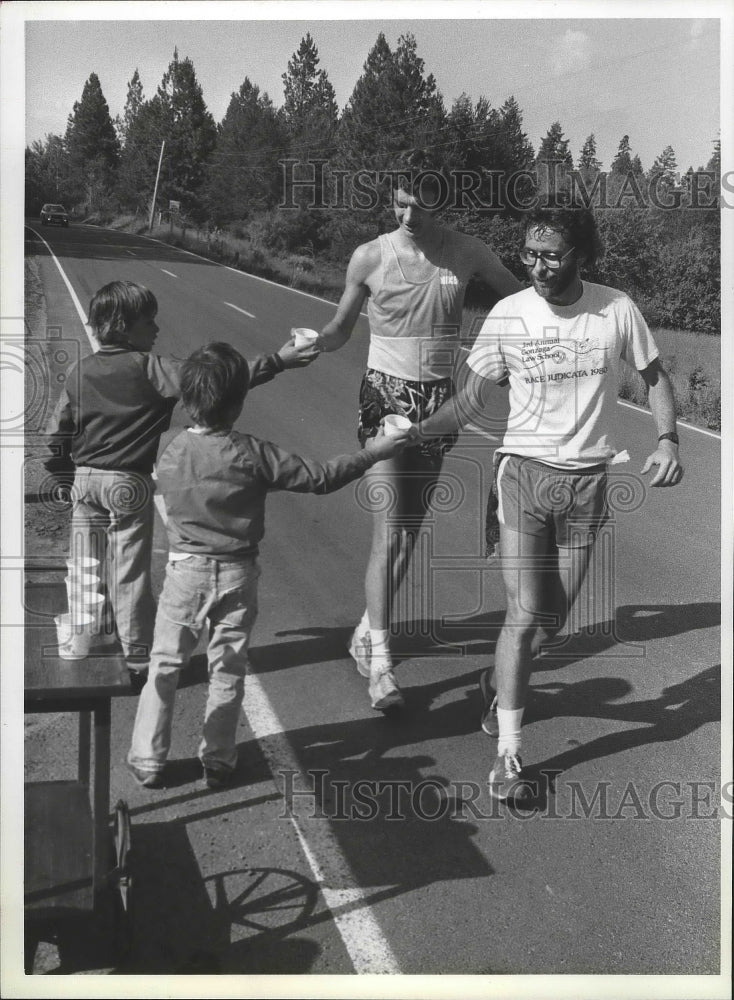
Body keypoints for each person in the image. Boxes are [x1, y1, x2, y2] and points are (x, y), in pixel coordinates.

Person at [414, 205, 684, 801]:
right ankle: (507, 758)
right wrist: (416, 434)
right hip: (522, 476)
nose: (536, 265)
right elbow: (469, 400)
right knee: (525, 611)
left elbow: (656, 376)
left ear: (580, 256)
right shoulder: (509, 315)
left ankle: (495, 681)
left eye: (550, 254)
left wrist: (667, 439)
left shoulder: (615, 309)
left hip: (587, 481)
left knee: (553, 623)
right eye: (529, 254)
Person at [126, 342, 408, 789]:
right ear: (238, 403)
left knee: (164, 664)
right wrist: (373, 452)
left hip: (185, 573)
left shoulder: (168, 447)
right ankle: (217, 756)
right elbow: (320, 477)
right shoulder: (253, 453)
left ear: (185, 398)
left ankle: (147, 757)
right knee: (228, 666)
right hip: (238, 575)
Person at [317, 170, 522, 711]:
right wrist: (315, 341)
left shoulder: (468, 253)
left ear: (442, 207)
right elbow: (340, 327)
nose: (407, 217)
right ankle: (381, 665)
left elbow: (522, 302)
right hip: (383, 397)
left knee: (409, 531)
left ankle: (367, 629)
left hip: (436, 403)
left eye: (419, 208)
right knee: (389, 529)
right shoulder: (369, 257)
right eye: (400, 204)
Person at [44, 280, 318, 684]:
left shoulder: (79, 370)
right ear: (123, 326)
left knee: (85, 563)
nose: (156, 329)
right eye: (148, 322)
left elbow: (57, 433)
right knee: (128, 573)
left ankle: (84, 639)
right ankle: (138, 660)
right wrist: (277, 360)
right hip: (128, 484)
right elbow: (216, 381)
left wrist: (61, 472)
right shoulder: (151, 368)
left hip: (85, 480)